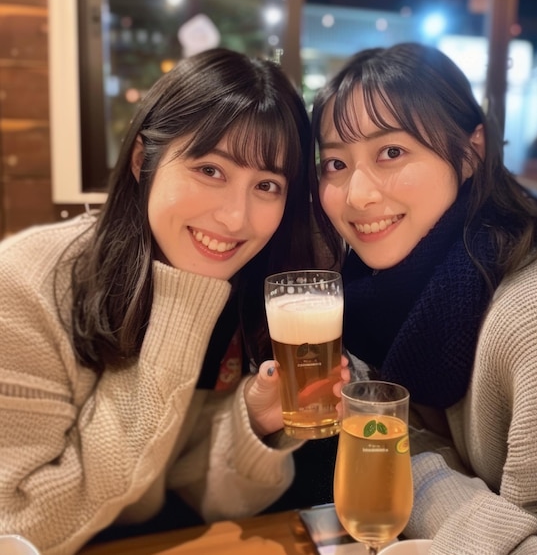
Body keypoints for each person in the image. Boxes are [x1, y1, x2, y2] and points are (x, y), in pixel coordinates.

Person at [0, 48, 348, 555]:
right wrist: (180, 308)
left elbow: (202, 495)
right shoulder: (27, 283)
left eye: (267, 185)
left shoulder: (260, 286)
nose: (235, 217)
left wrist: (251, 418)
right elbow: (19, 526)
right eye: (210, 170)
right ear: (145, 161)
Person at [309, 42, 537, 554]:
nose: (357, 194)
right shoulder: (376, 302)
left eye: (392, 152)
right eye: (335, 164)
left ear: (470, 150)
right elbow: (412, 445)